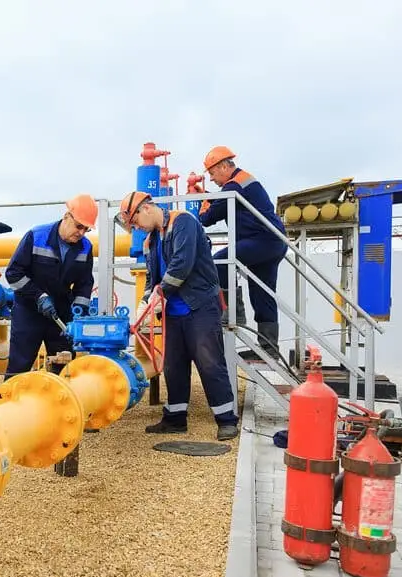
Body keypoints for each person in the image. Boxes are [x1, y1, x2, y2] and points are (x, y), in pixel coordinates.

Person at [116, 191, 239, 441]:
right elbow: (152, 278)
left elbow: (182, 264)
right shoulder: (150, 242)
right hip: (173, 311)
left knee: (209, 362)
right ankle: (175, 418)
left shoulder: (183, 222)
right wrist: (145, 303)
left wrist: (159, 294)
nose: (136, 228)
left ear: (146, 209)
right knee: (173, 365)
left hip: (200, 306)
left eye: (135, 221)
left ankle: (226, 419)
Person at [197, 145, 288, 361]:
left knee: (218, 263)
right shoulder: (240, 182)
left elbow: (208, 218)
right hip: (272, 241)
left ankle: (233, 312)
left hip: (262, 241)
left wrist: (201, 204)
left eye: (212, 172)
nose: (211, 178)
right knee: (262, 292)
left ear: (223, 166)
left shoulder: (234, 186)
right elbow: (219, 204)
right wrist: (208, 198)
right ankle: (269, 348)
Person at [4, 194, 97, 378]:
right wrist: (38, 296)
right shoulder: (36, 236)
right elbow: (13, 273)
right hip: (28, 311)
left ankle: (59, 404)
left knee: (64, 365)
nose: (81, 233)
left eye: (86, 229)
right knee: (19, 364)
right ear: (66, 216)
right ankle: (9, 403)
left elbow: (85, 283)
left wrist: (79, 308)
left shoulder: (85, 247)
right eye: (79, 226)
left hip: (61, 313)